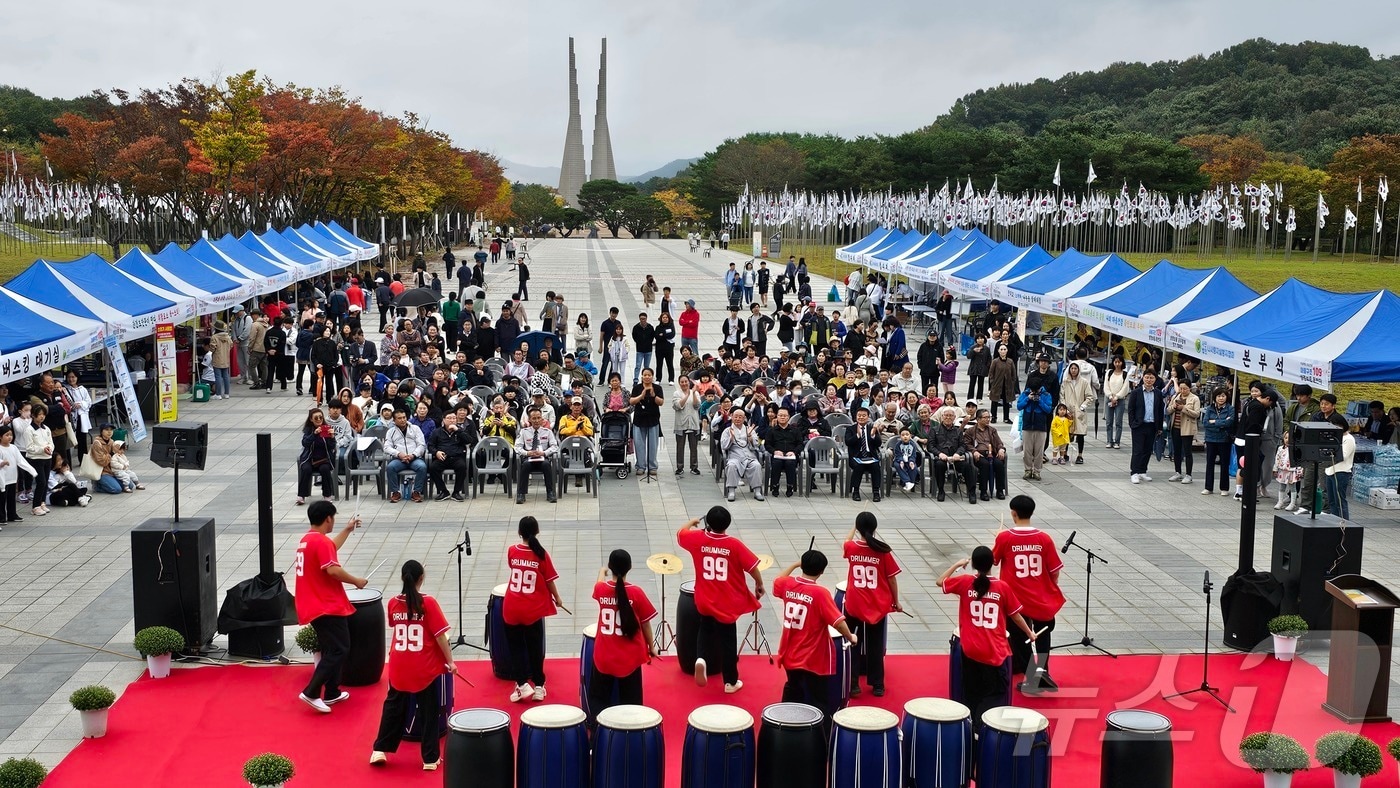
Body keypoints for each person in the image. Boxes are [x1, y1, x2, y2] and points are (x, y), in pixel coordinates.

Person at [938, 546, 1037, 729]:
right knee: (995, 693)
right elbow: (1016, 616)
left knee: (971, 691)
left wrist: (958, 565)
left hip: (969, 649)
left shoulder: (965, 582)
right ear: (993, 563)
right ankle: (981, 727)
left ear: (973, 564)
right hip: (993, 651)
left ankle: (969, 729)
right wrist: (1029, 633)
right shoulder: (1002, 587)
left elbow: (940, 581)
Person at [369, 560, 456, 770]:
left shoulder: (392, 603)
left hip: (399, 665)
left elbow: (396, 624)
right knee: (429, 711)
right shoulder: (429, 603)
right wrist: (450, 662)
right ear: (421, 579)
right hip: (422, 667)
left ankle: (379, 750)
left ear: (402, 578)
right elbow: (440, 637)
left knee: (393, 707)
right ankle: (430, 758)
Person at [677, 507, 764, 693]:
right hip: (726, 602)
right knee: (728, 642)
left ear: (708, 523)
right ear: (728, 524)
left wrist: (692, 523)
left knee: (705, 629)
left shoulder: (698, 539)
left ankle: (700, 658)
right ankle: (730, 682)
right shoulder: (734, 544)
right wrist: (759, 584)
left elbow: (680, 534)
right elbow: (752, 567)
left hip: (704, 598)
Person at [295, 500, 368, 713]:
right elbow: (333, 571)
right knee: (339, 648)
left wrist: (346, 530)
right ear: (328, 518)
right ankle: (311, 691)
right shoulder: (321, 543)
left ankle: (333, 691)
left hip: (311, 603)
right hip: (325, 604)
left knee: (333, 646)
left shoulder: (308, 540)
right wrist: (356, 581)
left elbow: (331, 548)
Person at [774, 550, 858, 731]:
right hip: (813, 656)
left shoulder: (788, 585)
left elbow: (778, 581)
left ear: (803, 565)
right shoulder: (820, 592)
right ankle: (820, 737)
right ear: (821, 571)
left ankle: (785, 728)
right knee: (818, 700)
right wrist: (851, 636)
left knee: (793, 690)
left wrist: (795, 565)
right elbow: (837, 622)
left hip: (790, 652)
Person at [991, 495, 1063, 694]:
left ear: (1013, 514)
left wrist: (997, 538)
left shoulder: (1005, 538)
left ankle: (1027, 670)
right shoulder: (1044, 538)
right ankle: (1041, 670)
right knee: (1043, 633)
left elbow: (993, 561)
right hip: (1040, 595)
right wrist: (1051, 586)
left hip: (1015, 597)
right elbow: (1055, 569)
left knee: (1019, 634)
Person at [588, 549, 657, 726]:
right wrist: (651, 647)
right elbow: (646, 624)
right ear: (630, 567)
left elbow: (598, 585)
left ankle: (597, 734)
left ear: (610, 567)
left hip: (604, 656)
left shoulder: (601, 589)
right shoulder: (636, 593)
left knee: (598, 698)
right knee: (632, 701)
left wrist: (601, 573)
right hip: (629, 658)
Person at [503, 517, 565, 703]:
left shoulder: (512, 551)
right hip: (532, 608)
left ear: (519, 532)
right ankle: (539, 686)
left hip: (512, 606)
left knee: (515, 648)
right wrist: (557, 598)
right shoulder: (542, 554)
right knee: (535, 648)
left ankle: (522, 684)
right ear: (537, 532)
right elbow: (549, 580)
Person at [842, 513, 901, 697]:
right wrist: (896, 601)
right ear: (875, 529)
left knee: (852, 641)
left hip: (855, 603)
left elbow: (847, 539)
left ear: (858, 528)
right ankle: (877, 685)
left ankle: (852, 684)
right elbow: (891, 579)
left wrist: (854, 527)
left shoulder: (851, 547)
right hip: (877, 605)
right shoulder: (883, 551)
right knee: (875, 645)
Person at [515, 406, 559, 504]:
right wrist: (527, 453)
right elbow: (517, 447)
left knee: (546, 465)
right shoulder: (524, 432)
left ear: (542, 419)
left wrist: (544, 452)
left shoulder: (547, 432)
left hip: (543, 457)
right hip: (529, 458)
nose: (536, 421)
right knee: (525, 465)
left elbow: (555, 446)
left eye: (538, 418)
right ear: (529, 419)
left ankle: (550, 492)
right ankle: (521, 494)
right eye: (534, 418)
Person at [1127, 369, 1163, 484]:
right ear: (1143, 378)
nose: (1149, 380)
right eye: (1147, 377)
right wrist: (1132, 423)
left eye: (1151, 378)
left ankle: (1143, 471)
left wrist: (1160, 427)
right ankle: (1134, 472)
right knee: (1137, 450)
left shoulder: (1158, 393)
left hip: (1152, 425)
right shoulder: (1136, 393)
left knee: (1147, 450)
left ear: (1155, 380)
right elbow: (1131, 409)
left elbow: (1160, 411)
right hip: (1139, 425)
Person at [384, 408, 428, 503]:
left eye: (404, 417)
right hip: (399, 459)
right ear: (394, 420)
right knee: (390, 467)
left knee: (422, 467)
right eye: (399, 418)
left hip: (414, 458)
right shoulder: (391, 432)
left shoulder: (415, 429)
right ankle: (396, 492)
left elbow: (421, 445)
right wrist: (398, 454)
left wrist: (413, 455)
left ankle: (416, 492)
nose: (403, 420)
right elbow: (386, 447)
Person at [720, 409, 765, 502]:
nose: (737, 419)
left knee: (756, 465)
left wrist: (750, 438)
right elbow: (723, 447)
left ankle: (757, 491)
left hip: (749, 456)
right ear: (731, 417)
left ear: (744, 418)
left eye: (740, 417)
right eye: (735, 416)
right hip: (734, 456)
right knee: (731, 466)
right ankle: (731, 491)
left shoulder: (749, 429)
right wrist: (731, 438)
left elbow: (756, 446)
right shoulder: (727, 431)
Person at [296, 408, 337, 506]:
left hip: (323, 459)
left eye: (321, 417)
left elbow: (332, 446)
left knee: (325, 469)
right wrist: (314, 434)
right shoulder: (308, 431)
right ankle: (301, 495)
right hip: (310, 458)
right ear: (311, 419)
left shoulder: (326, 428)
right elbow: (305, 443)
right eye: (316, 418)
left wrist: (332, 437)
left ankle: (327, 494)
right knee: (306, 469)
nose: (319, 420)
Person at [629, 368, 664, 481]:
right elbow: (632, 401)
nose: (647, 377)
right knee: (639, 444)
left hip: (653, 419)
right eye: (645, 375)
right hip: (639, 419)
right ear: (642, 376)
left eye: (649, 375)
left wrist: (653, 395)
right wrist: (642, 395)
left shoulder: (657, 388)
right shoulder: (637, 388)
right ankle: (640, 466)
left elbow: (661, 402)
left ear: (652, 376)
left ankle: (652, 466)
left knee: (653, 444)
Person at [965, 408, 1008, 500]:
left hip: (992, 453)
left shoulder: (992, 430)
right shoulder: (971, 431)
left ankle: (1000, 490)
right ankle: (983, 491)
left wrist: (1001, 449)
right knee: (984, 464)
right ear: (978, 419)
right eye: (985, 417)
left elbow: (999, 443)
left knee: (999, 464)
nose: (988, 419)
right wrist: (974, 451)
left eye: (989, 417)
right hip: (979, 455)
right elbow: (967, 444)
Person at [427, 412, 471, 501]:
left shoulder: (460, 430)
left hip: (456, 457)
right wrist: (436, 452)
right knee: (433, 467)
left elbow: (469, 440)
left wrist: (458, 431)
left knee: (462, 467)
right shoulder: (437, 432)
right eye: (449, 418)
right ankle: (444, 491)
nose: (452, 420)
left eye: (454, 418)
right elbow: (430, 445)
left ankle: (456, 492)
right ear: (443, 420)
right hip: (442, 458)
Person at [845, 406, 882, 502]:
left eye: (864, 416)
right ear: (856, 417)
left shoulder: (871, 428)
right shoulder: (850, 429)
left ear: (868, 417)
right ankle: (856, 491)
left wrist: (874, 435)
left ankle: (876, 492)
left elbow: (878, 444)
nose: (861, 417)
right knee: (859, 466)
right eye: (859, 415)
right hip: (856, 457)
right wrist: (857, 435)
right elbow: (848, 442)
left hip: (870, 457)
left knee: (876, 466)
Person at [0, 426, 34, 526]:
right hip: (2, 478)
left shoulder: (14, 448)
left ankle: (12, 514)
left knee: (11, 497)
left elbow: (21, 461)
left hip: (12, 477)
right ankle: (1, 517)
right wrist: (2, 463)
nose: (9, 437)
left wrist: (31, 470)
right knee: (2, 498)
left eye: (11, 435)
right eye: (7, 435)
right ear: (0, 437)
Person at [1324, 413, 1356, 520]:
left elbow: (1342, 456)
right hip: (1330, 471)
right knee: (1332, 501)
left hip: (1341, 472)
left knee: (1340, 501)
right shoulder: (1334, 437)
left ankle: (1344, 523)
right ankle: (1334, 521)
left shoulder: (1349, 439)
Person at [672, 376, 702, 477]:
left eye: (686, 381)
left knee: (694, 447)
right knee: (680, 446)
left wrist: (692, 393)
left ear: (689, 382)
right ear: (679, 383)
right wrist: (687, 395)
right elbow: (678, 406)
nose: (684, 383)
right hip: (680, 423)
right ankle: (679, 467)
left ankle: (694, 467)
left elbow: (697, 406)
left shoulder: (695, 393)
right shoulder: (676, 393)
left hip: (693, 423)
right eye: (682, 382)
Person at [1103, 357, 1130, 449]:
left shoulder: (1125, 374)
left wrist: (1117, 397)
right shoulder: (1109, 372)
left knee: (1118, 421)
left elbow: (1125, 388)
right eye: (1115, 362)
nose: (1117, 364)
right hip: (1109, 398)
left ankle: (1117, 441)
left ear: (1122, 363)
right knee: (1108, 421)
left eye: (1119, 362)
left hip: (1120, 400)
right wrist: (1111, 396)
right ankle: (1109, 440)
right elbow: (1106, 386)